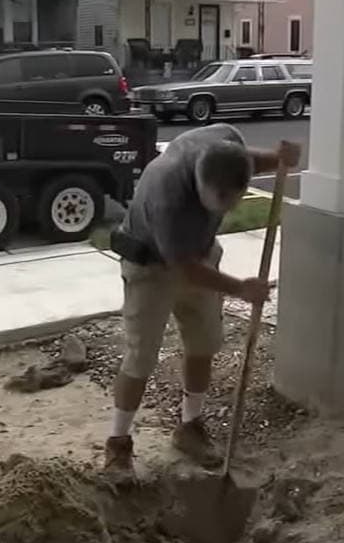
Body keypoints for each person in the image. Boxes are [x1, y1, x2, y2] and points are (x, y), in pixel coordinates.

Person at [102, 122, 301, 484]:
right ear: (199, 184)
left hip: (201, 255)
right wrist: (241, 288)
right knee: (141, 356)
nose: (227, 209)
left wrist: (279, 159)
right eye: (219, 201)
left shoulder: (226, 148)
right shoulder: (168, 193)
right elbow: (184, 269)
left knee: (203, 343)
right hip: (151, 266)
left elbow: (246, 162)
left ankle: (190, 427)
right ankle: (118, 445)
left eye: (234, 199)